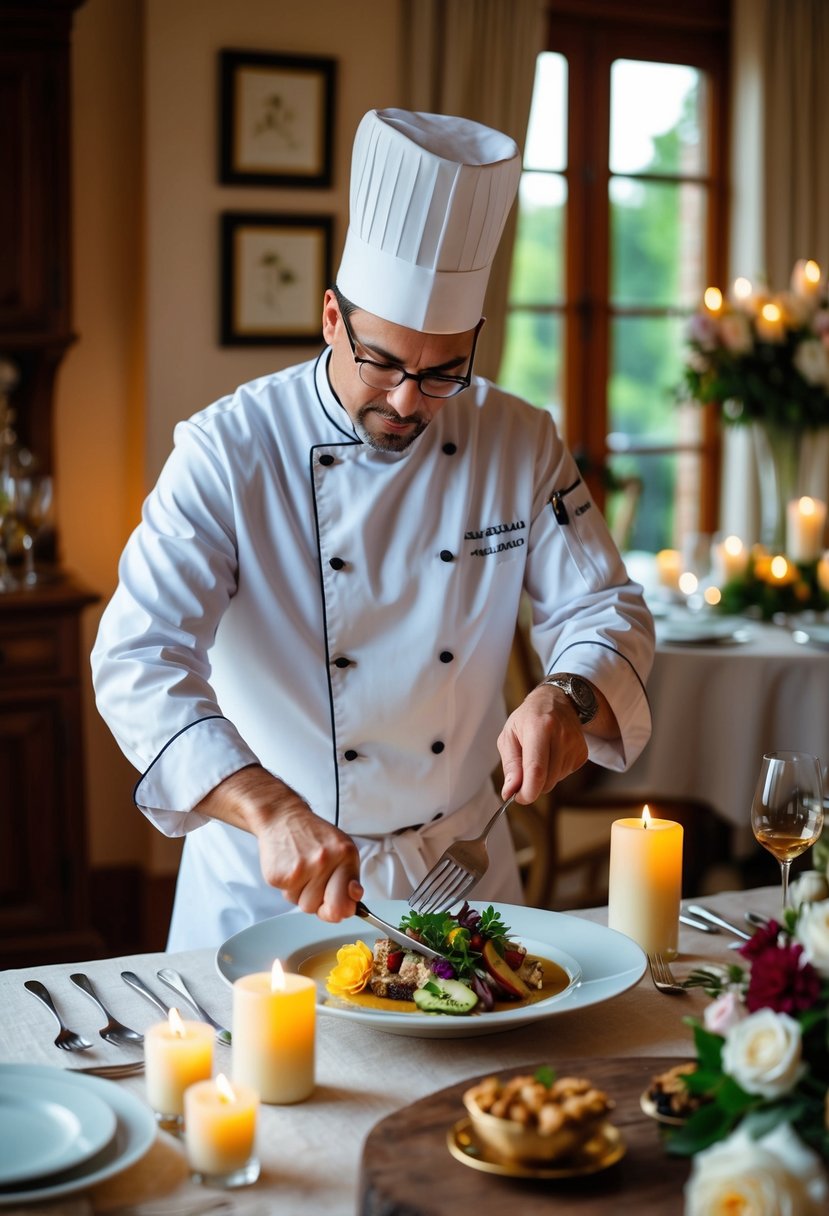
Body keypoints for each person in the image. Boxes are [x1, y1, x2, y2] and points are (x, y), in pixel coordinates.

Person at [92, 108, 655, 951]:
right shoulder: (229, 448)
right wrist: (266, 805)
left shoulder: (518, 437)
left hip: (463, 874)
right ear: (331, 318)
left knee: (490, 1086)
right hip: (273, 885)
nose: (405, 402)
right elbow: (138, 658)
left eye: (441, 374)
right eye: (382, 363)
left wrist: (565, 693)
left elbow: (606, 606)